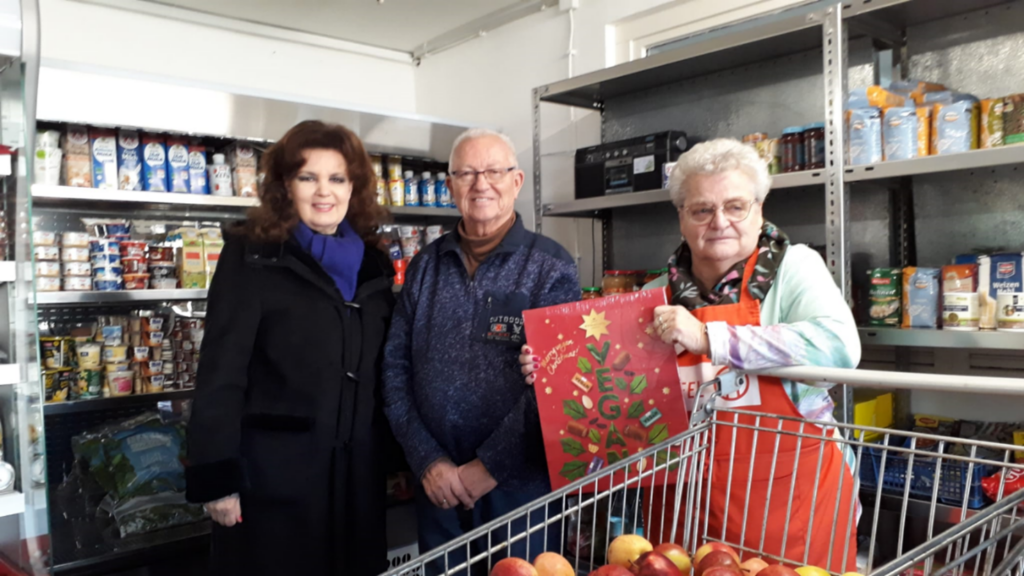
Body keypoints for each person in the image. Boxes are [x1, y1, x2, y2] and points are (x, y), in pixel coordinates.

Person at [522, 138, 860, 572]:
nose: (720, 222)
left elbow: (839, 347)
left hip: (790, 505)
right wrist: (554, 370)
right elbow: (619, 410)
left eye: (736, 206)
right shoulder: (651, 297)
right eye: (702, 209)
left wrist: (710, 337)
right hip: (683, 511)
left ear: (759, 210)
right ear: (682, 218)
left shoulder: (795, 269)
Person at [185, 120, 396, 576]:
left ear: (353, 186)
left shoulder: (375, 263)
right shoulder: (252, 254)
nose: (325, 192)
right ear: (285, 185)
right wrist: (218, 479)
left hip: (357, 476)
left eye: (337, 178)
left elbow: (389, 366)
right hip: (275, 479)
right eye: (308, 177)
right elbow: (221, 372)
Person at [382, 128, 579, 575]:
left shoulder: (551, 267)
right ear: (450, 186)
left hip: (518, 485)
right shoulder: (425, 266)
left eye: (493, 171)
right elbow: (394, 369)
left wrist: (487, 467)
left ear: (517, 181)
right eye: (466, 173)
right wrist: (427, 460)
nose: (480, 183)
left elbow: (557, 382)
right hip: (439, 486)